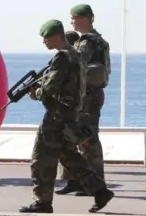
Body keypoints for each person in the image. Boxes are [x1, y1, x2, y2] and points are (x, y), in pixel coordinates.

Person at [19, 19, 113, 213]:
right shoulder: (75, 54)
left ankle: (42, 201)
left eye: (46, 37)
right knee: (69, 156)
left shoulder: (62, 57)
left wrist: (35, 92)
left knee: (41, 158)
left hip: (56, 116)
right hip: (70, 115)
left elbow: (50, 89)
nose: (44, 41)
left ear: (57, 36)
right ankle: (100, 190)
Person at [56, 4, 110, 196]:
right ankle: (77, 180)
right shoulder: (99, 40)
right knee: (77, 136)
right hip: (90, 94)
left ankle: (94, 182)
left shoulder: (88, 41)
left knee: (87, 138)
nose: (71, 21)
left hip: (87, 96)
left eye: (74, 18)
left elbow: (76, 64)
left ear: (84, 19)